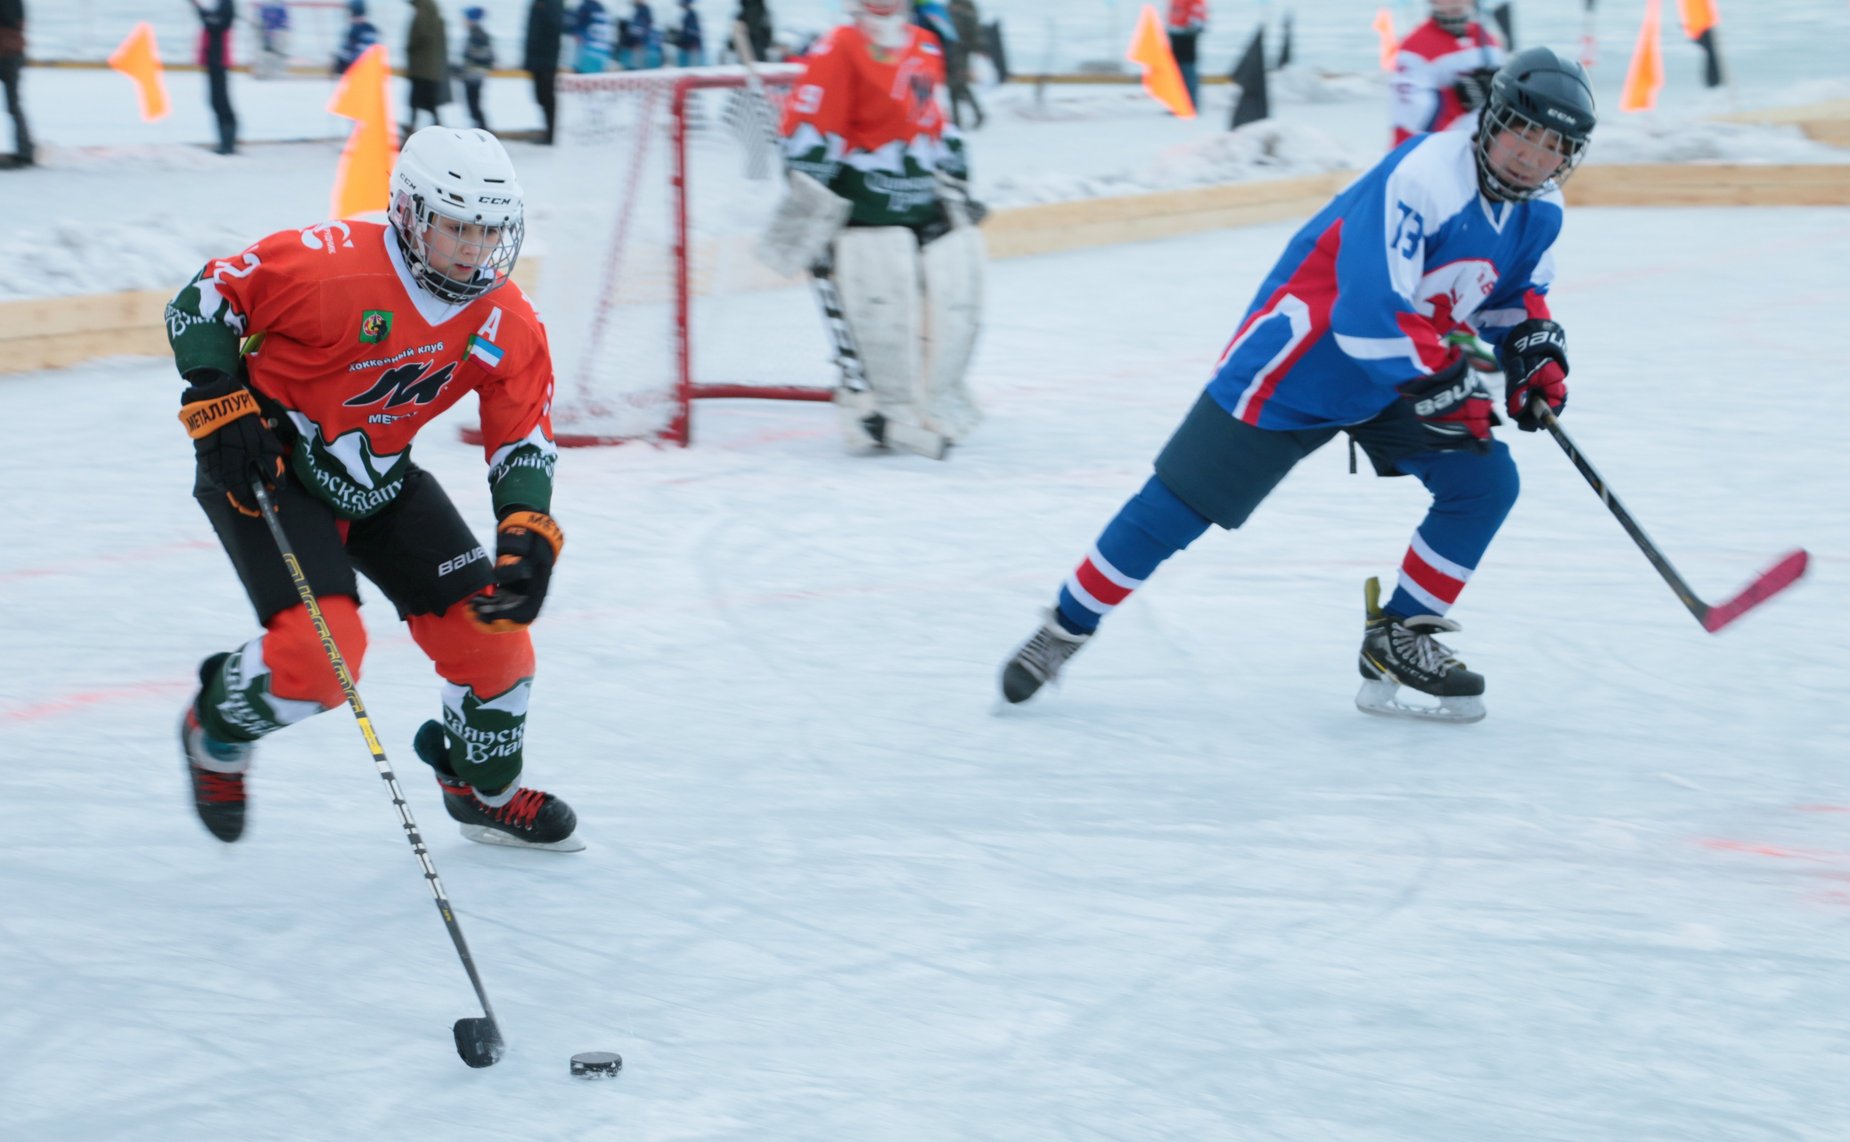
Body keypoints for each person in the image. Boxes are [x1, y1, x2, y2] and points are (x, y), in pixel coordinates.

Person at [999, 47, 1596, 724]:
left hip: (1400, 373)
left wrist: (1531, 352)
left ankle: (1399, 634)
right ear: (1492, 121)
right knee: (1173, 510)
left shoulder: (1541, 211)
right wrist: (1448, 388)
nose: (1532, 155)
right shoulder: (1425, 174)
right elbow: (1366, 310)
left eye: (1554, 146)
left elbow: (1511, 298)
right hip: (1300, 364)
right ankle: (1065, 628)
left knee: (1485, 483)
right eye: (1523, 131)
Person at [166, 126, 581, 851]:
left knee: (498, 644)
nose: (474, 249)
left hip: (379, 478)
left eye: (489, 232)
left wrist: (526, 532)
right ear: (410, 214)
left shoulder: (506, 320)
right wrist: (214, 394)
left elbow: (522, 434)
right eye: (455, 227)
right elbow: (205, 299)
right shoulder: (331, 264)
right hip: (269, 466)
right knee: (321, 662)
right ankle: (215, 729)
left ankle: (479, 788)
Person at [776, 0, 985, 453]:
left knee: (956, 295)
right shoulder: (838, 48)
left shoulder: (926, 43)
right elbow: (812, 127)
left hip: (920, 202)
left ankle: (937, 397)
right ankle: (883, 406)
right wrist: (807, 200)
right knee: (883, 309)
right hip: (865, 212)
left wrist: (954, 172)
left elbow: (933, 117)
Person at [1392, 0, 1505, 148]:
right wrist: (1455, 95)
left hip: (1481, 143)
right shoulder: (1414, 47)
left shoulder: (1487, 40)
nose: (1454, 3)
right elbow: (1410, 121)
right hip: (1438, 147)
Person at [192, 0, 238, 155]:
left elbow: (216, 25)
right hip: (213, 60)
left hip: (219, 60)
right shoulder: (222, 4)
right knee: (215, 101)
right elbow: (211, 20)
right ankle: (225, 142)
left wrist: (197, 8)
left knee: (220, 101)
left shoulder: (227, 4)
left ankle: (228, 144)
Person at [405, 0, 450, 132]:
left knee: (417, 101)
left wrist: (410, 47)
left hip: (421, 68)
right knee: (428, 102)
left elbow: (420, 33)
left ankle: (412, 128)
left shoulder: (423, 9)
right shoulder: (434, 13)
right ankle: (437, 127)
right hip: (432, 68)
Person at [524, 0, 563, 142]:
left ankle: (552, 133)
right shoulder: (538, 3)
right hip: (537, 60)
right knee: (540, 97)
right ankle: (548, 130)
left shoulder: (551, 4)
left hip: (546, 61)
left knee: (547, 98)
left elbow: (553, 27)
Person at [0, 0, 32, 169]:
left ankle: (25, 150)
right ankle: (25, 151)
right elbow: (20, 22)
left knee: (14, 105)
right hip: (14, 53)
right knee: (14, 105)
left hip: (5, 53)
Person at [945, 0, 984, 129]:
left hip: (961, 52)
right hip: (950, 52)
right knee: (953, 86)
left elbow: (974, 28)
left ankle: (976, 114)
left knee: (959, 84)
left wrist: (974, 47)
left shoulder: (967, 5)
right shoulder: (950, 5)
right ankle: (958, 120)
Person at [1165, 0, 1207, 115]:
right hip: (1175, 33)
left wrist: (1194, 26)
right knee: (1176, 72)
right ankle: (1178, 104)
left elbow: (1199, 15)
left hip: (1186, 35)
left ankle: (1190, 104)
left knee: (1187, 70)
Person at [458, 6, 495, 131]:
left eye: (466, 18)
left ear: (472, 19)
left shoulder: (478, 35)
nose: (463, 21)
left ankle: (483, 129)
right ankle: (480, 127)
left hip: (474, 76)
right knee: (473, 104)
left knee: (474, 104)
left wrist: (469, 58)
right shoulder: (476, 33)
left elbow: (485, 55)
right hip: (474, 75)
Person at [332, 0, 380, 76]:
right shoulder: (372, 29)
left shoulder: (354, 29)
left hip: (358, 70)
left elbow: (356, 53)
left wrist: (339, 55)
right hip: (368, 69)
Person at [571, 0, 612, 72]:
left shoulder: (585, 6)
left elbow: (577, 32)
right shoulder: (601, 8)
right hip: (601, 53)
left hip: (588, 51)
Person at [252, 2, 290, 80]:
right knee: (264, 54)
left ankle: (277, 72)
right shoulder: (263, 7)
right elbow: (260, 20)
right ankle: (263, 72)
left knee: (277, 54)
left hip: (278, 33)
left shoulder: (281, 7)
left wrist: (279, 31)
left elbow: (284, 22)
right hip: (265, 33)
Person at [671, 0, 704, 67]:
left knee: (691, 67)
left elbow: (693, 32)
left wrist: (681, 38)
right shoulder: (687, 15)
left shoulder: (691, 15)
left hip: (690, 46)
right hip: (686, 45)